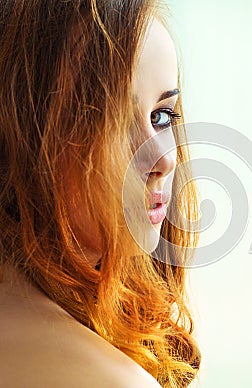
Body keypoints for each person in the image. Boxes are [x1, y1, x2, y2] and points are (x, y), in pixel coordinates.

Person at [0, 1, 200, 387]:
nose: (166, 159)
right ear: (24, 136)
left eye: (162, 116)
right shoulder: (107, 379)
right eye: (110, 121)